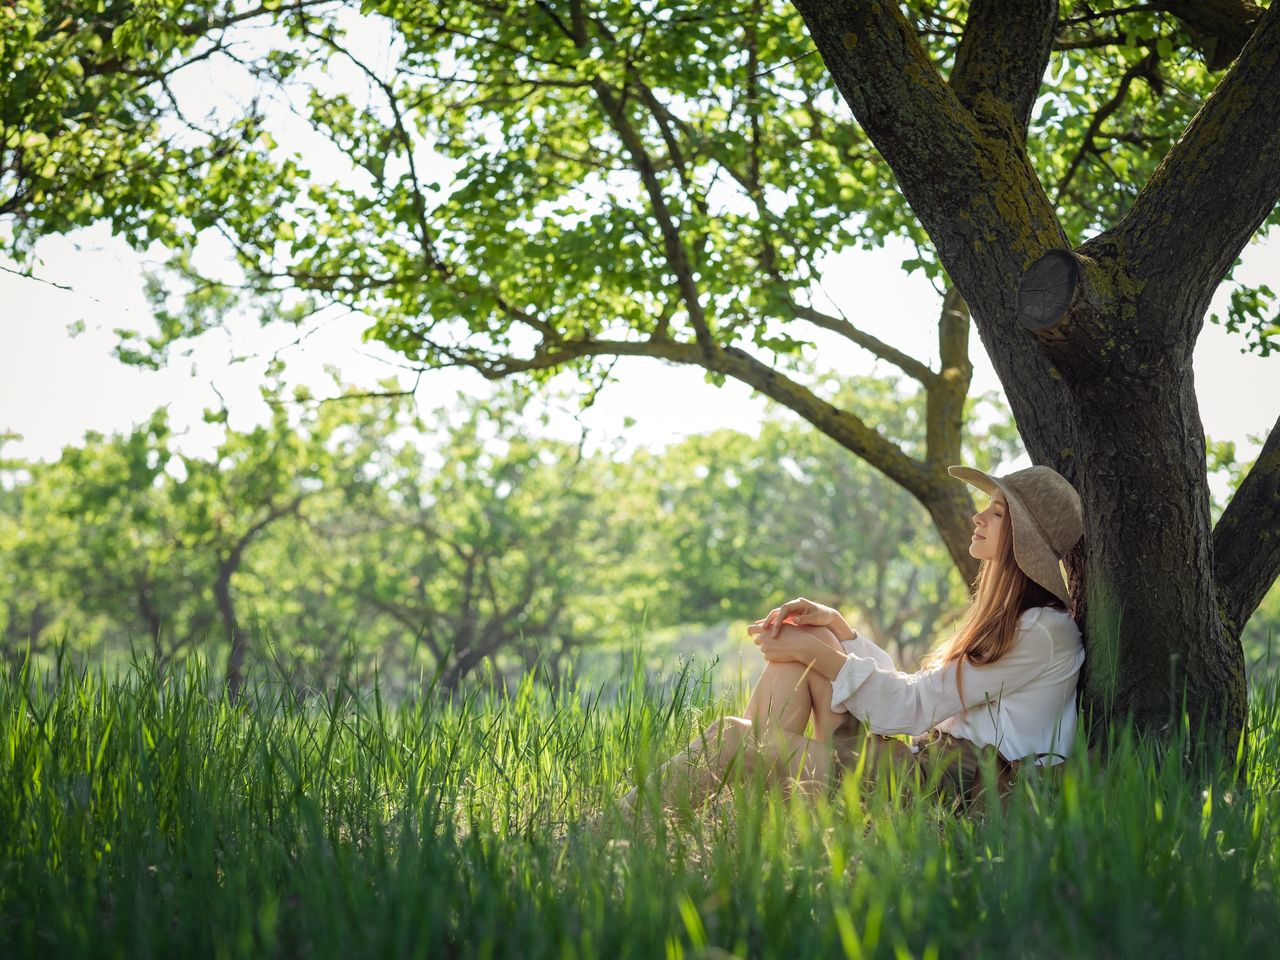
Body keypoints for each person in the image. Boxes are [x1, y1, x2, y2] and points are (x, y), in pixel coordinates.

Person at [615, 463, 1086, 818]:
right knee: (810, 634)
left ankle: (608, 832)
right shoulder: (1020, 623)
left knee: (733, 735)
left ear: (1021, 537)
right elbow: (915, 694)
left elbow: (911, 709)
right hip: (927, 766)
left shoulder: (1042, 632)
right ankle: (747, 810)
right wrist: (839, 634)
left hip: (951, 789)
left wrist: (818, 655)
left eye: (996, 512)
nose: (977, 518)